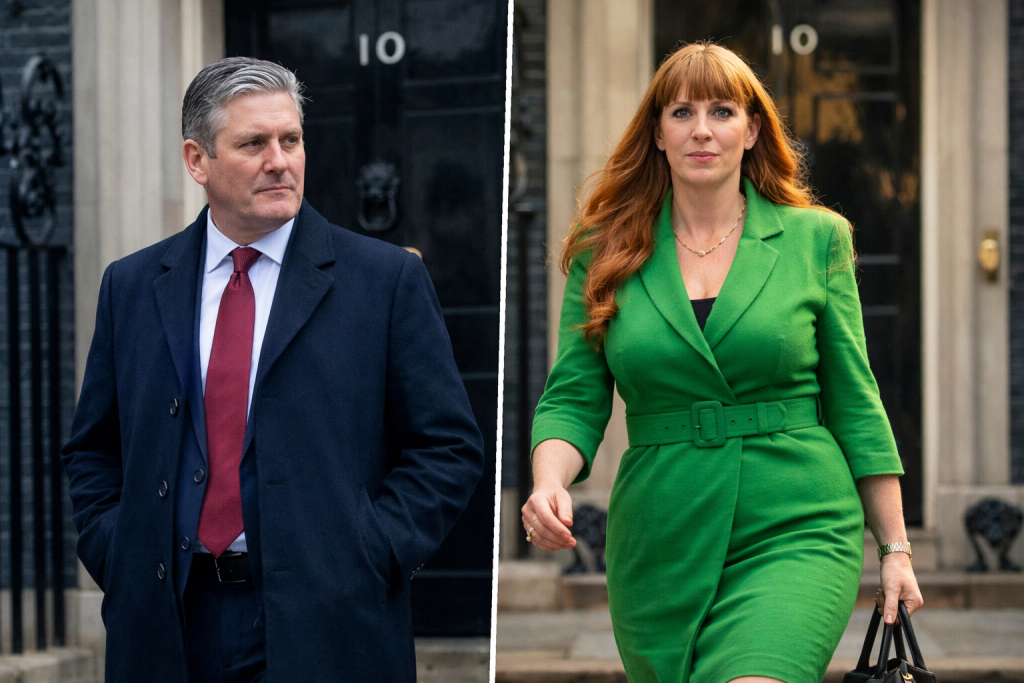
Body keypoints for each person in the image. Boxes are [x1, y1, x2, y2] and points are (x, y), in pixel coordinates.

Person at [61, 57, 485, 683]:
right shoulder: (131, 285)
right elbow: (94, 449)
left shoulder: (385, 280)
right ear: (196, 160)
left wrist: (371, 552)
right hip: (169, 626)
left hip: (330, 625)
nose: (280, 160)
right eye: (253, 143)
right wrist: (119, 551)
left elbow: (449, 447)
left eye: (291, 139)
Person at [521, 42, 923, 683]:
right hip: (660, 533)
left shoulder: (816, 237)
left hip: (797, 520)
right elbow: (573, 395)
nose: (702, 129)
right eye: (681, 112)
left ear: (753, 128)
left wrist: (895, 549)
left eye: (722, 111)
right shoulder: (606, 249)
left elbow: (854, 398)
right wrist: (548, 483)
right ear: (656, 132)